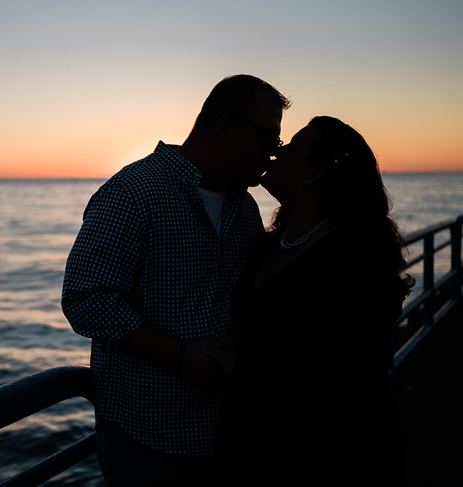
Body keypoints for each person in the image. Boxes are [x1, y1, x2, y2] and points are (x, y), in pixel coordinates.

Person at [60, 74, 291, 486]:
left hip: (228, 427)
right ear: (225, 126)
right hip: (148, 434)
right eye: (268, 139)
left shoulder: (245, 207)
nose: (272, 154)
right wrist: (180, 355)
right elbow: (85, 297)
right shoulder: (134, 192)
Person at [213, 116, 414, 485]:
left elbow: (351, 378)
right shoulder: (267, 245)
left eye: (293, 144)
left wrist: (245, 373)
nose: (276, 151)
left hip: (326, 456)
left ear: (314, 174)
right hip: (256, 446)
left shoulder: (358, 261)